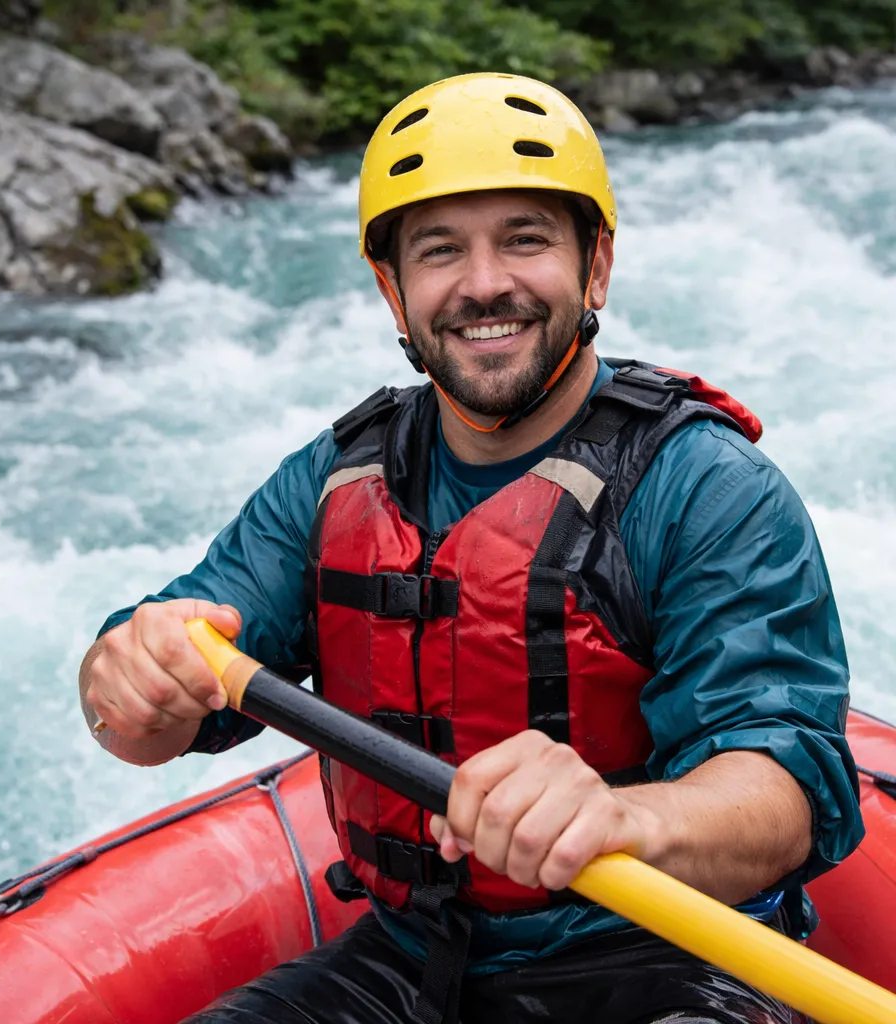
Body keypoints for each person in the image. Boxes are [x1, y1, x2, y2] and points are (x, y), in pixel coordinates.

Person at [78, 74, 864, 1024]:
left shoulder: (705, 486)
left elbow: (786, 786)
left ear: (596, 266)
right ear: (393, 290)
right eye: (440, 250)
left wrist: (623, 820)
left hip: (669, 960)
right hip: (409, 960)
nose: (484, 283)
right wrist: (124, 673)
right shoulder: (332, 480)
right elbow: (152, 711)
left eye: (525, 239)